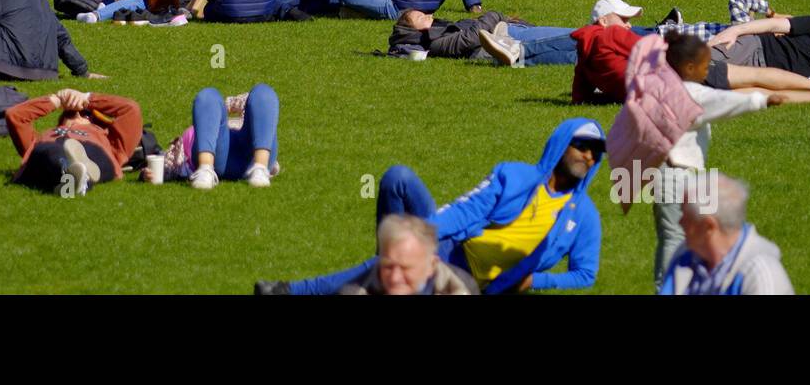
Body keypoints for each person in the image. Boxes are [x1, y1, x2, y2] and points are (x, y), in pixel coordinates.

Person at [257, 119, 607, 295]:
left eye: (595, 151)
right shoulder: (515, 177)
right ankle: (395, 271)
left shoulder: (584, 217)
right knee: (399, 178)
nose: (588, 156)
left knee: (405, 262)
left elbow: (585, 275)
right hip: (452, 245)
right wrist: (421, 240)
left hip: (471, 282)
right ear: (561, 145)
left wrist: (536, 280)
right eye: (581, 146)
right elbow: (465, 211)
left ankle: (295, 290)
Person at [651, 32, 810, 286]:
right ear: (688, 67)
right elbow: (726, 102)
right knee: (675, 238)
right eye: (703, 65)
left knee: (683, 236)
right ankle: (666, 288)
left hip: (676, 174)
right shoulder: (688, 93)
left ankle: (682, 285)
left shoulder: (665, 86)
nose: (707, 70)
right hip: (674, 176)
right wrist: (763, 100)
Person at [570, 0, 810, 105]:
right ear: (604, 20)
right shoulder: (610, 34)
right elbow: (650, 46)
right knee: (756, 77)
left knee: (753, 95)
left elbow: (580, 97)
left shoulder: (584, 54)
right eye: (624, 19)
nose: (628, 26)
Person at [659, 173, 794, 295]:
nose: (680, 222)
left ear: (709, 227)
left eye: (687, 217)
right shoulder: (685, 255)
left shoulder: (760, 275)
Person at [7, 88, 142, 196]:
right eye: (69, 113)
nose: (77, 112)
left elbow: (131, 109)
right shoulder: (45, 136)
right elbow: (14, 115)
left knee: (92, 153)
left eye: (85, 114)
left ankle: (70, 176)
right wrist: (56, 100)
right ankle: (77, 176)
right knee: (49, 151)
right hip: (48, 153)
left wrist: (87, 99)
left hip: (95, 152)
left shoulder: (108, 139)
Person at [153, 84, 280, 190]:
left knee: (263, 92)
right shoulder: (193, 133)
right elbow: (171, 163)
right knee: (208, 96)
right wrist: (150, 174)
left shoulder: (252, 117)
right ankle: (205, 170)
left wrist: (228, 105)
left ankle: (260, 168)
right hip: (217, 158)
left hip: (253, 150)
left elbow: (258, 101)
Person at [338, 216, 480, 295]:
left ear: (432, 265)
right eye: (388, 266)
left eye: (406, 268)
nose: (394, 278)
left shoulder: (462, 287)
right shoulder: (353, 292)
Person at [389, 9, 578, 68]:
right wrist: (493, 15)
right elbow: (472, 38)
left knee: (572, 44)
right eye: (421, 18)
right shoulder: (436, 42)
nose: (429, 15)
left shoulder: (440, 32)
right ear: (413, 31)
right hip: (507, 37)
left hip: (509, 36)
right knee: (576, 37)